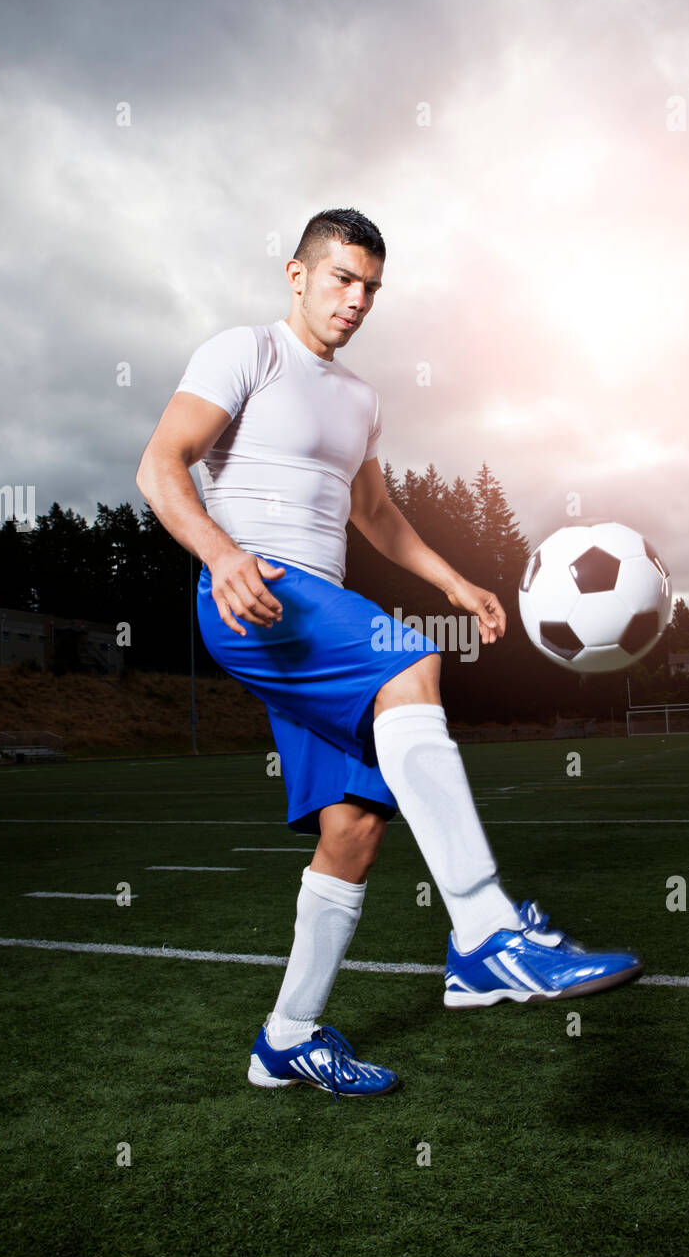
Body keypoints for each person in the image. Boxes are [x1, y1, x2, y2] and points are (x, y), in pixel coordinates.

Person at [136, 208, 642, 1100]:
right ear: (297, 275)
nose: (357, 299)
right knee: (408, 661)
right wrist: (219, 555)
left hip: (311, 614)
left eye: (371, 286)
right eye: (341, 279)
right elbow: (159, 466)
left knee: (355, 830)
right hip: (255, 593)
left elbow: (374, 515)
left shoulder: (361, 398)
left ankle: (287, 1037)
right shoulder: (244, 352)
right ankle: (485, 931)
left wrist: (455, 583)